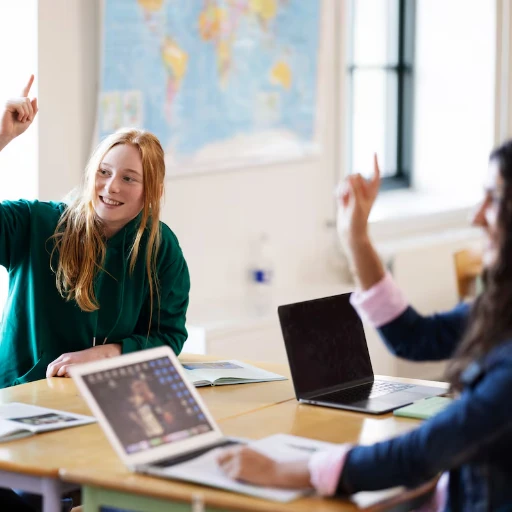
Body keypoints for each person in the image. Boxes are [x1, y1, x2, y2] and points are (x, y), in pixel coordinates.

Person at [216, 150, 512, 511]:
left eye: (494, 199)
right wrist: (355, 237)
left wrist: (291, 470)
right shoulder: (501, 305)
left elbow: (423, 453)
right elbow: (415, 337)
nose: (476, 216)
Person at [0, 76, 190, 387]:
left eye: (129, 178)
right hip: (24, 396)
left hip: (109, 395)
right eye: (104, 172)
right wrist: (1, 137)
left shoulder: (160, 246)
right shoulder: (35, 223)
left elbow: (167, 335)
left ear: (150, 191)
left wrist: (107, 354)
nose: (111, 186)